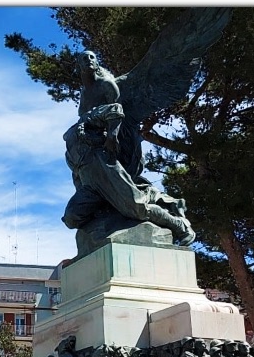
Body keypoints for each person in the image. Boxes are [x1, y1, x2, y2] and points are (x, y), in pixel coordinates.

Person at [62, 51, 196, 246]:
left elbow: (115, 110)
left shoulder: (103, 96)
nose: (88, 60)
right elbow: (75, 165)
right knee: (72, 218)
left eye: (91, 57)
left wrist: (112, 137)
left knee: (136, 208)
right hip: (88, 178)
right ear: (78, 66)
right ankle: (128, 199)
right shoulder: (78, 124)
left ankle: (178, 225)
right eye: (84, 58)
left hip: (105, 166)